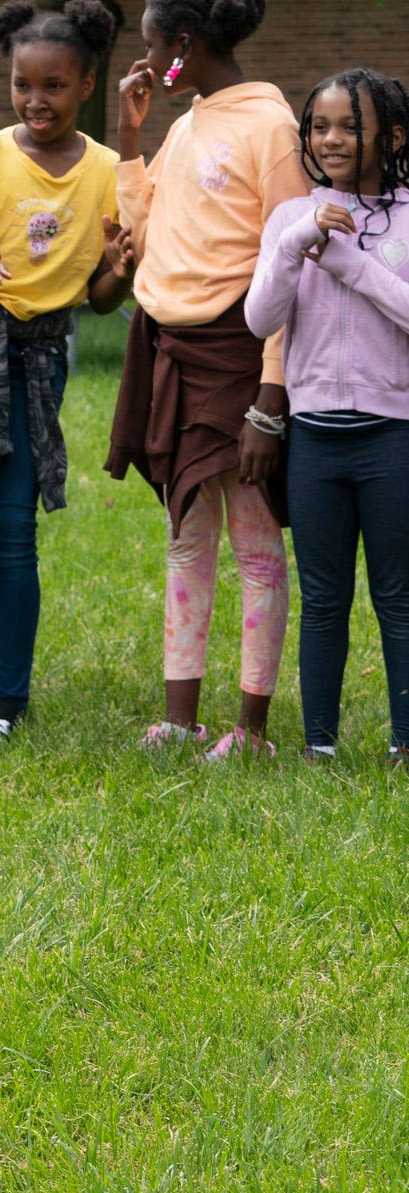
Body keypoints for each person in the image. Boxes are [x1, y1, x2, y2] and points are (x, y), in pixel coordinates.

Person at [0, 0, 135, 751]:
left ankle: (7, 701)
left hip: (40, 354)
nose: (35, 101)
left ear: (85, 84)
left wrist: (114, 271)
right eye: (22, 85)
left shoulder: (106, 172)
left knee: (12, 531)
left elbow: (102, 301)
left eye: (53, 87)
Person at [105, 0, 309, 759]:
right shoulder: (188, 121)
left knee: (256, 546)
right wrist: (129, 141)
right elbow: (145, 237)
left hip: (236, 355)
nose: (149, 58)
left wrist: (271, 396)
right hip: (168, 350)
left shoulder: (269, 126)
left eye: (156, 44)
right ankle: (180, 719)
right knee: (187, 538)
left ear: (185, 44)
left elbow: (294, 267)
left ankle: (250, 730)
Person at [244, 69, 409, 764]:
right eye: (320, 127)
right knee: (324, 597)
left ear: (392, 136)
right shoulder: (291, 218)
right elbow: (261, 317)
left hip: (393, 436)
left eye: (351, 125)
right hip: (315, 437)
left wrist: (347, 262)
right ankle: (321, 745)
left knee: (398, 597)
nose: (332, 139)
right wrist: (296, 244)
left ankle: (405, 742)